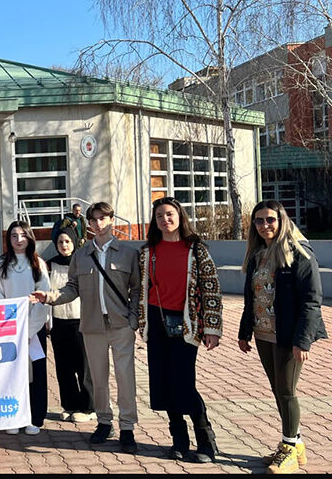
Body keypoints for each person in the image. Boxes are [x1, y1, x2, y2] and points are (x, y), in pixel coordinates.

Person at [32, 201, 141, 453]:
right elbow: (72, 289)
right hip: (92, 326)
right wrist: (48, 297)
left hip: (121, 324)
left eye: (103, 218)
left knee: (125, 378)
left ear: (112, 219)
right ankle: (104, 422)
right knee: (99, 378)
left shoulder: (128, 253)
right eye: (94, 220)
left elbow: (136, 289)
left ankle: (127, 427)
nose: (98, 223)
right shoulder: (82, 255)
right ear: (88, 224)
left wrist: (133, 318)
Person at [238, 200, 327, 474]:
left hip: (289, 335)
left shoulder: (298, 252)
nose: (265, 225)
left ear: (282, 220)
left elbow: (312, 300)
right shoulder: (257, 254)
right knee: (278, 390)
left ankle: (289, 448)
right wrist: (244, 332)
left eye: (270, 220)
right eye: (259, 220)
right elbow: (250, 297)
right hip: (264, 333)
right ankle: (295, 445)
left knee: (287, 391)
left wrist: (303, 339)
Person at [138, 197, 223, 463]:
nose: (165, 219)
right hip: (157, 321)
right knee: (163, 382)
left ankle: (206, 443)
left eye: (170, 214)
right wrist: (141, 321)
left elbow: (211, 288)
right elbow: (142, 288)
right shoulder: (147, 251)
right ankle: (178, 441)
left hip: (188, 323)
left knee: (183, 382)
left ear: (180, 216)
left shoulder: (196, 249)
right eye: (160, 215)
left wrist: (212, 327)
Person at [0, 220, 51, 436]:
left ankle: (34, 417)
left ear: (30, 238)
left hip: (33, 330)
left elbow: (44, 297)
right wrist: (8, 328)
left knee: (35, 375)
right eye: (14, 236)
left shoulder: (39, 264)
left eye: (23, 235)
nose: (19, 240)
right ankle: (12, 416)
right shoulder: (0, 265)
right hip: (9, 330)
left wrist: (29, 331)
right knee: (11, 374)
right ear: (8, 239)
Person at [46, 225, 95, 424]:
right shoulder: (50, 265)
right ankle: (70, 405)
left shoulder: (83, 262)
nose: (64, 245)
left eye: (67, 241)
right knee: (64, 368)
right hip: (59, 322)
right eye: (60, 242)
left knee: (84, 366)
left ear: (74, 243)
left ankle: (89, 407)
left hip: (80, 321)